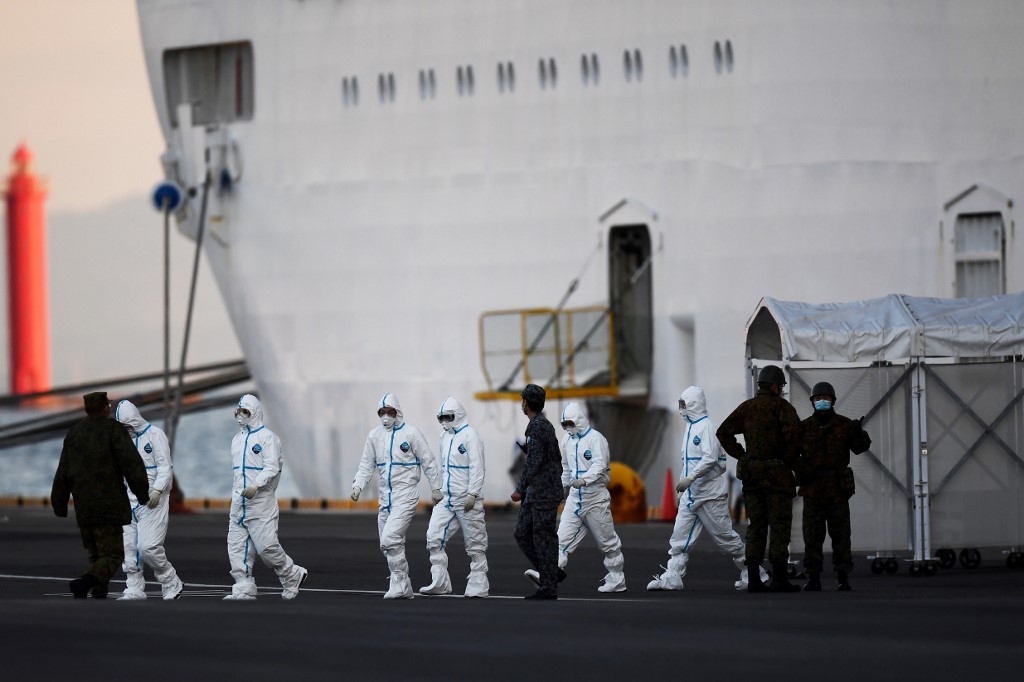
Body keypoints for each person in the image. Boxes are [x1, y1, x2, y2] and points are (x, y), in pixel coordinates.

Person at [648, 386, 768, 592]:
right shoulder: (690, 428)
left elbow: (710, 459)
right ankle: (673, 576)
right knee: (679, 538)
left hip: (709, 494)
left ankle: (755, 573)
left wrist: (691, 478)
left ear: (694, 405)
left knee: (725, 539)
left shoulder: (707, 428)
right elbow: (687, 462)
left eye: (684, 405)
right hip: (691, 494)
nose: (681, 409)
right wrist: (684, 487)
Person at [51, 392, 151, 599]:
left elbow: (63, 471)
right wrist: (142, 493)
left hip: (84, 505)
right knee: (113, 554)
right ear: (106, 408)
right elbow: (131, 464)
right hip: (109, 505)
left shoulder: (74, 433)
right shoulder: (113, 430)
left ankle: (98, 591)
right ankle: (86, 582)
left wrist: (59, 503)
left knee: (96, 553)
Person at [717, 365, 803, 593]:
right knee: (779, 527)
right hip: (778, 478)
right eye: (781, 386)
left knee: (756, 526)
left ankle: (754, 577)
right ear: (774, 386)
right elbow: (795, 439)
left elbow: (723, 431)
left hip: (753, 478)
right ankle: (779, 578)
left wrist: (742, 454)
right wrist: (788, 462)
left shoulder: (747, 408)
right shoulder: (783, 408)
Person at [526, 402, 626, 593]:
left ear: (579, 420)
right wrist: (559, 489)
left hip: (595, 499)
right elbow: (565, 468)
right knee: (560, 540)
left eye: (570, 423)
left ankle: (617, 579)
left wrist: (584, 480)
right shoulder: (566, 441)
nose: (567, 428)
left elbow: (600, 465)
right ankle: (547, 576)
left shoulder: (596, 439)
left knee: (607, 542)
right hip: (574, 500)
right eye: (564, 424)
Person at [352, 392, 443, 599]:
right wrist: (358, 485)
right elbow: (366, 464)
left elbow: (428, 460)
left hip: (406, 495)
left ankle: (400, 584)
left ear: (397, 413)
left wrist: (436, 487)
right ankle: (402, 585)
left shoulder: (411, 434)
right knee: (390, 545)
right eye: (382, 412)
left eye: (390, 412)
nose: (386, 416)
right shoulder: (374, 436)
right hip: (385, 498)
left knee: (390, 538)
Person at [224, 394, 308, 600]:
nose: (240, 416)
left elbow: (272, 467)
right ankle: (243, 585)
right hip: (239, 502)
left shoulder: (268, 438)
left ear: (254, 413)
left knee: (267, 547)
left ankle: (291, 574)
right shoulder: (236, 440)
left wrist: (255, 485)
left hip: (261, 502)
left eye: (244, 412)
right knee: (236, 545)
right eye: (238, 412)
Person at [799, 381, 872, 591]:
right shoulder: (804, 427)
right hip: (813, 489)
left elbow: (861, 447)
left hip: (837, 490)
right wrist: (802, 470)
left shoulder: (844, 425)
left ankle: (843, 576)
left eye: (826, 398)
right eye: (818, 398)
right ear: (812, 401)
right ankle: (813, 577)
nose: (822, 401)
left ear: (833, 401)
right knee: (812, 535)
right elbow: (792, 453)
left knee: (841, 535)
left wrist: (859, 433)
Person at [113, 399, 184, 600]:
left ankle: (170, 580)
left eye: (127, 425)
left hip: (153, 500)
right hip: (129, 499)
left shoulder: (155, 435)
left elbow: (165, 468)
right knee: (129, 547)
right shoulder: (124, 441)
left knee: (148, 547)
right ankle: (134, 586)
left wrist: (158, 491)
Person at [419, 396, 489, 598]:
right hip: (447, 499)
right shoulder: (444, 437)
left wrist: (473, 493)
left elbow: (478, 467)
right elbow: (443, 466)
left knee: (475, 542)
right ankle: (439, 580)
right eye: (441, 418)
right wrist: (438, 489)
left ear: (457, 415)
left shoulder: (471, 436)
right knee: (433, 536)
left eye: (448, 417)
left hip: (467, 500)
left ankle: (479, 582)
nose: (444, 422)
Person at [511, 384, 563, 600]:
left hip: (543, 493)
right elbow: (551, 457)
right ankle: (552, 572)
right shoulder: (539, 426)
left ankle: (549, 586)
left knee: (544, 538)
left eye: (523, 400)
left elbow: (534, 463)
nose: (522, 403)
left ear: (528, 403)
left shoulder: (539, 427)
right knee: (522, 533)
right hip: (538, 492)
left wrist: (519, 489)